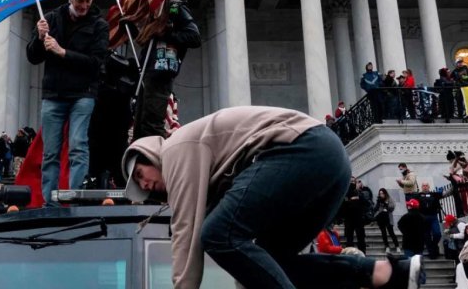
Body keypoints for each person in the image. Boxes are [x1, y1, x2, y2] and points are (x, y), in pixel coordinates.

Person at [121, 106, 424, 289]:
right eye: (140, 186)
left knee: (214, 234)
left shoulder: (176, 149)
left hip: (304, 150)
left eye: (139, 174)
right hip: (329, 163)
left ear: (149, 154)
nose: (145, 185)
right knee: (274, 262)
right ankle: (384, 273)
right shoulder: (210, 173)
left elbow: (188, 234)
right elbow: (247, 263)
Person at [27, 0, 109, 206]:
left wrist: (63, 52)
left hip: (83, 94)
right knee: (50, 152)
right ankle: (50, 203)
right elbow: (33, 57)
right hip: (54, 94)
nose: (83, 5)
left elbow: (96, 63)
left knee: (78, 146)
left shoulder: (99, 25)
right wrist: (39, 38)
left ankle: (76, 200)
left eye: (87, 0)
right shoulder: (51, 19)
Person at [131, 0, 201, 140]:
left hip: (161, 72)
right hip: (147, 72)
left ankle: (156, 159)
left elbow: (194, 37)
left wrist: (166, 34)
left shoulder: (174, 7)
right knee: (140, 125)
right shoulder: (151, 9)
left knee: (152, 125)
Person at [416, 183, 442, 259]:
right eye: (423, 186)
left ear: (429, 186)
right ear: (421, 187)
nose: (425, 187)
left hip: (433, 216)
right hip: (423, 217)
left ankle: (434, 245)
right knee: (426, 236)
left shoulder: (434, 194)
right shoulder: (418, 195)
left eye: (426, 185)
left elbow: (444, 195)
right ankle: (432, 253)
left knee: (437, 233)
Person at [447, 150, 468, 216]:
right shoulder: (452, 165)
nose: (450, 162)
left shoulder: (463, 160)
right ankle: (466, 211)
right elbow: (452, 174)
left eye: (451, 160)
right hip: (461, 183)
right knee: (463, 198)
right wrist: (459, 179)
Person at [342, 176, 367, 252]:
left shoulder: (359, 192)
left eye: (353, 181)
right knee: (349, 239)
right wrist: (350, 200)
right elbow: (343, 204)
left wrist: (358, 197)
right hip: (349, 219)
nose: (352, 183)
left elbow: (365, 203)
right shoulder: (345, 192)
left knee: (361, 238)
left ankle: (363, 253)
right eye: (350, 181)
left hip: (358, 219)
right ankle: (350, 255)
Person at [375, 188, 401, 254]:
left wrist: (386, 204)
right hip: (381, 218)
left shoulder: (389, 199)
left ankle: (397, 246)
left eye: (382, 193)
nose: (381, 195)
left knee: (391, 232)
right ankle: (387, 246)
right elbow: (376, 208)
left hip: (388, 218)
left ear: (385, 193)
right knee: (383, 233)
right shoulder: (379, 200)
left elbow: (392, 207)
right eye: (380, 193)